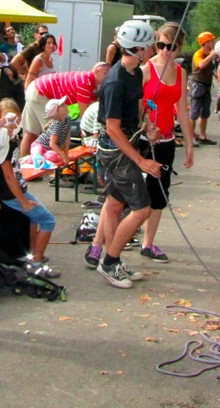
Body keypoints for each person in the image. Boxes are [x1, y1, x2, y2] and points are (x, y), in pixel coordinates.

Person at [93, 20, 162, 288]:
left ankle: (112, 260)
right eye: (150, 45)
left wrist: (149, 127)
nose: (153, 49)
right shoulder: (115, 81)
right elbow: (112, 128)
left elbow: (138, 107)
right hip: (115, 151)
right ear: (139, 49)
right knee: (142, 210)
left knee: (113, 205)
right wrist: (141, 161)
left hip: (127, 141)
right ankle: (110, 263)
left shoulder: (133, 74)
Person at [136, 22, 194, 263]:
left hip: (167, 140)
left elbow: (182, 110)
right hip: (144, 141)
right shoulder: (146, 69)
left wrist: (189, 143)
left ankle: (148, 243)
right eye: (160, 45)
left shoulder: (180, 72)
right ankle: (124, 233)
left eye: (170, 47)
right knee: (137, 193)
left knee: (159, 194)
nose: (164, 51)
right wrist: (146, 126)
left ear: (179, 48)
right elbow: (137, 107)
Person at [0, 98, 61, 278]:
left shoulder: (12, 137)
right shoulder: (3, 141)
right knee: (48, 220)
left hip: (18, 189)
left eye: (15, 118)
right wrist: (23, 202)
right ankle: (36, 263)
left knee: (34, 219)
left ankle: (32, 253)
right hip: (10, 194)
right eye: (8, 119)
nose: (12, 123)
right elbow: (7, 175)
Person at [19, 63, 110, 160]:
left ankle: (23, 163)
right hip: (42, 92)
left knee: (31, 132)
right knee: (55, 133)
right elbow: (84, 113)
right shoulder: (86, 83)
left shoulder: (88, 81)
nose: (107, 77)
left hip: (36, 87)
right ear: (96, 71)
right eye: (105, 73)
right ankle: (55, 163)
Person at [188, 32, 218, 145]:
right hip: (198, 85)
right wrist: (212, 55)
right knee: (194, 113)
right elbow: (200, 65)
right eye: (211, 41)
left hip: (206, 86)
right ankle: (190, 137)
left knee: (205, 113)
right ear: (205, 43)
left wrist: (214, 74)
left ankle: (202, 136)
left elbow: (208, 67)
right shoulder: (198, 54)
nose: (213, 43)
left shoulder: (208, 53)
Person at [29, 97, 74, 168]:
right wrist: (63, 156)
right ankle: (31, 159)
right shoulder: (57, 124)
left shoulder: (68, 119)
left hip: (48, 151)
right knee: (38, 153)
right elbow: (52, 144)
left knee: (53, 156)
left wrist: (66, 155)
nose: (66, 106)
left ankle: (38, 159)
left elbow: (67, 139)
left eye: (64, 104)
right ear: (56, 112)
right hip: (39, 145)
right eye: (62, 105)